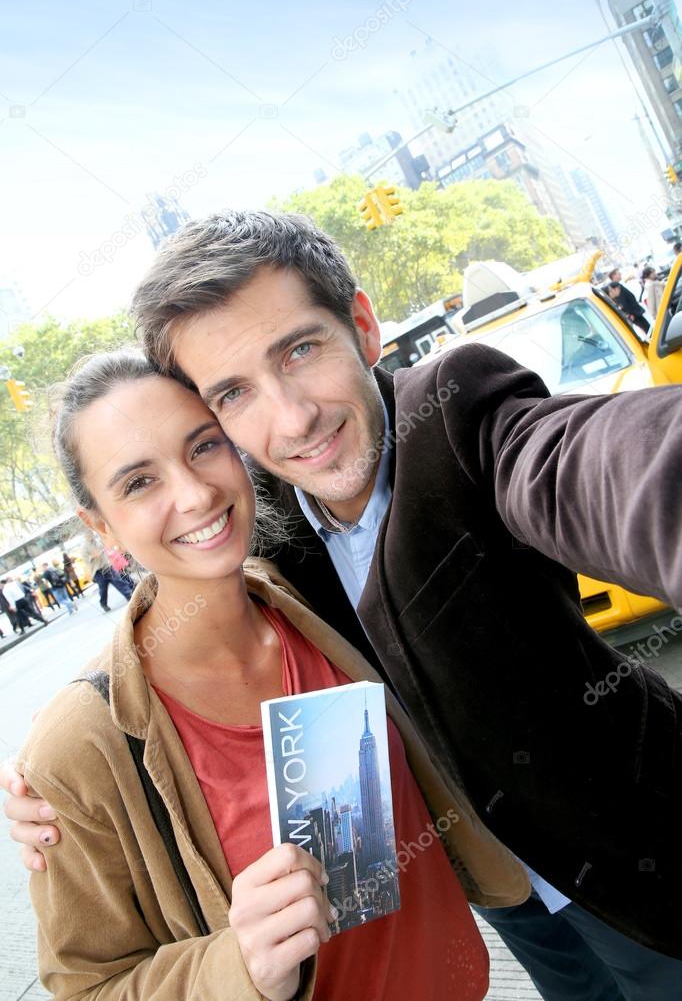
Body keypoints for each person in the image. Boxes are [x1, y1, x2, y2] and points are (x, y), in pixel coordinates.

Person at [5, 210, 682, 999]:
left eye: (299, 349)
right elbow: (178, 586)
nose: (292, 418)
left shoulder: (461, 420)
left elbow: (602, 465)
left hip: (647, 858)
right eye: (234, 394)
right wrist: (64, 765)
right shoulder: (266, 532)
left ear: (362, 325)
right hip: (514, 901)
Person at [13, 349, 513, 1001]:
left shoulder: (304, 590)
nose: (194, 494)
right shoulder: (80, 750)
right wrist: (236, 967)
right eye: (139, 482)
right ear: (100, 524)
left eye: (203, 447)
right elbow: (87, 983)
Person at [82, 530, 133, 612]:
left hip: (107, 566)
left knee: (119, 582)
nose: (90, 535)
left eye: (91, 534)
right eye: (88, 534)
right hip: (98, 571)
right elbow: (86, 560)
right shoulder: (84, 548)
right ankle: (103, 604)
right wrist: (93, 556)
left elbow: (105, 551)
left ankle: (129, 595)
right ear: (85, 536)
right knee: (103, 589)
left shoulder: (98, 542)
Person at [604, 270, 649, 335]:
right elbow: (622, 302)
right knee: (646, 328)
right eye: (618, 273)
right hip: (633, 313)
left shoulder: (616, 286)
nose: (620, 274)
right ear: (614, 276)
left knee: (646, 328)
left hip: (633, 312)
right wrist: (630, 313)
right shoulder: (614, 286)